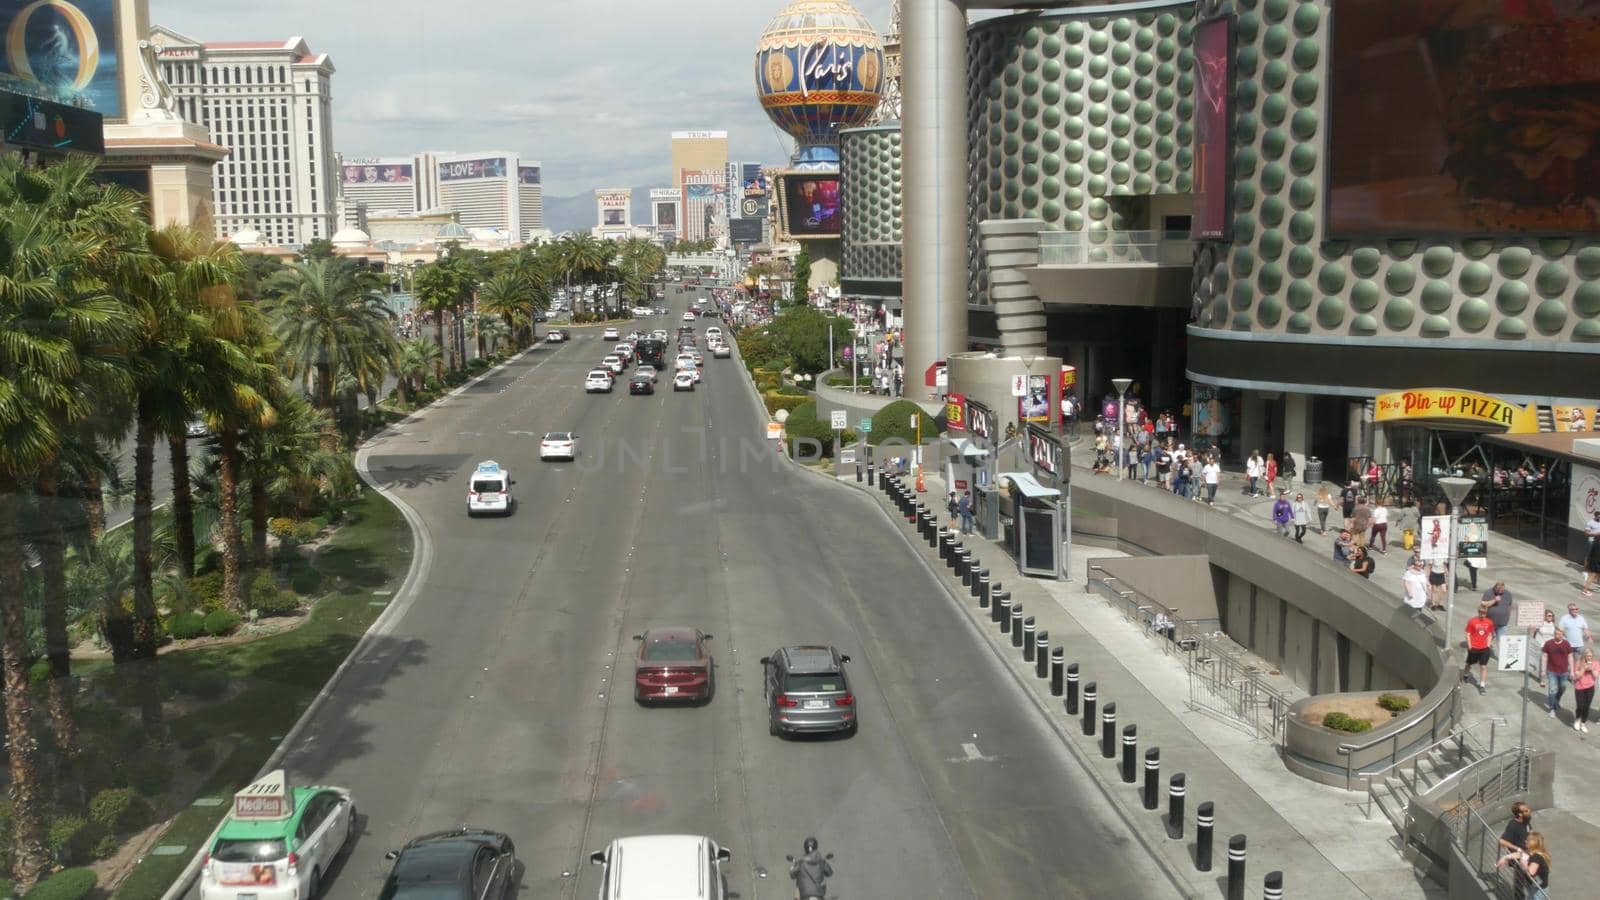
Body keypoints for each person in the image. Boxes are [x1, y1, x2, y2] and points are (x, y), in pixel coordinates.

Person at [1543, 628, 1575, 718]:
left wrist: (1572, 671)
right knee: (1552, 690)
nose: (1558, 635)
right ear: (1554, 634)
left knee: (1562, 688)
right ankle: (1552, 708)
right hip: (1552, 671)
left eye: (1560, 634)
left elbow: (1570, 657)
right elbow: (1544, 656)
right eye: (1557, 634)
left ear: (1563, 635)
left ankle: (1556, 701)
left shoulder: (1566, 644)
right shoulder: (1548, 643)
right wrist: (1543, 671)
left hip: (1564, 671)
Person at [1464, 602, 1495, 693]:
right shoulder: (1472, 621)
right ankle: (1466, 674)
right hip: (1474, 647)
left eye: (1484, 613)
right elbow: (1468, 634)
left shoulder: (1489, 622)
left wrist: (1488, 645)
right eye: (1481, 613)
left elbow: (1490, 634)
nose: (1482, 615)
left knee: (1483, 666)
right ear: (1478, 612)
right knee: (1469, 664)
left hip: (1484, 648)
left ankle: (1482, 685)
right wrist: (1470, 646)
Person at [1573, 647, 1598, 734]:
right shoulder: (1579, 663)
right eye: (1587, 656)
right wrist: (1583, 669)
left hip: (1590, 688)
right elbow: (1576, 676)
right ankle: (1577, 719)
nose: (1589, 657)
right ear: (1584, 656)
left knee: (1587, 707)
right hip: (1579, 687)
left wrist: (1592, 669)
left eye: (1591, 656)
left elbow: (1596, 676)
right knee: (1580, 706)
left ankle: (1583, 723)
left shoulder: (1596, 663)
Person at [1532, 608, 1558, 686]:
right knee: (1543, 663)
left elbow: (1555, 635)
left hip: (1551, 646)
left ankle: (1550, 677)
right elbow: (1533, 632)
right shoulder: (1540, 624)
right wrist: (1533, 641)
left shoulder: (1553, 625)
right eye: (1549, 616)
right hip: (1541, 645)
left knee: (1550, 663)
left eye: (1552, 616)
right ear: (1545, 616)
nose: (1550, 617)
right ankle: (1542, 679)